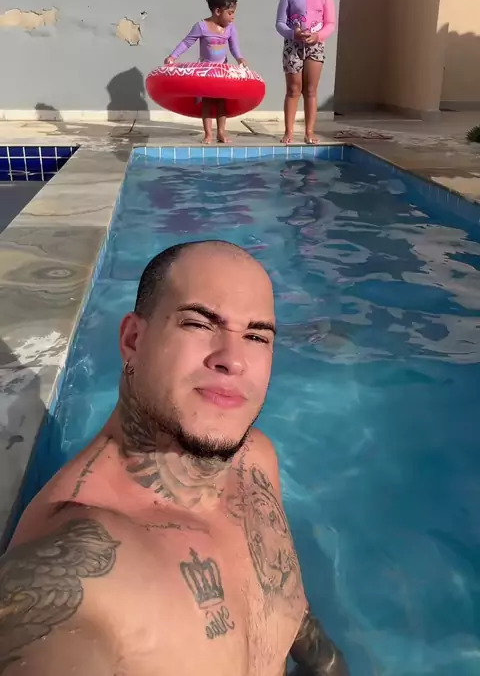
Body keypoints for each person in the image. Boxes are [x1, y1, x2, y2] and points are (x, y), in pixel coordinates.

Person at [0, 240, 349, 676]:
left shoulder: (256, 459)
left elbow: (288, 603)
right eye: (198, 323)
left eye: (256, 336)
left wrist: (326, 663)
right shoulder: (76, 561)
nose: (233, 360)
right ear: (133, 340)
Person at [164, 0, 247, 145]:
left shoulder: (230, 28)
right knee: (207, 102)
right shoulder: (202, 27)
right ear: (218, 11)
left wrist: (239, 58)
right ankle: (208, 134)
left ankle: (221, 132)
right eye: (230, 13)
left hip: (222, 71)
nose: (233, 17)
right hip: (206, 72)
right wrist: (172, 57)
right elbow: (186, 42)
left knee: (222, 101)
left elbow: (234, 46)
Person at [276, 0, 336, 146]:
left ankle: (309, 131)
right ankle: (289, 131)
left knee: (310, 90)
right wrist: (293, 33)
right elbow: (280, 24)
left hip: (315, 46)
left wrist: (318, 36)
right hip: (293, 46)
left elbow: (330, 23)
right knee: (293, 89)